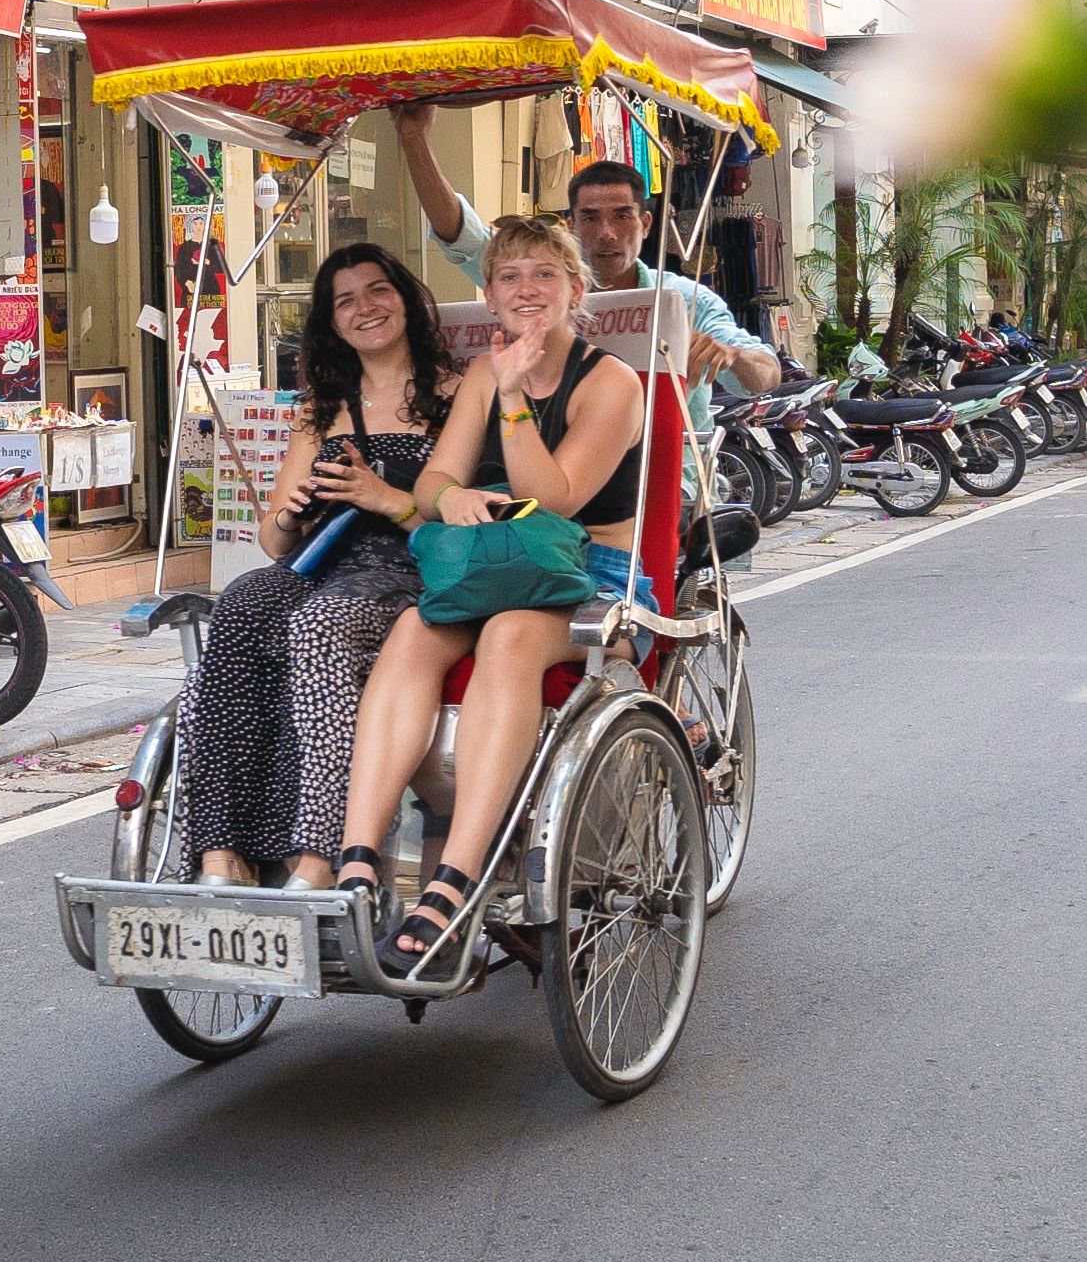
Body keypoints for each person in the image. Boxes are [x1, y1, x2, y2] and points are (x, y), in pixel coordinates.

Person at [333, 214, 645, 982]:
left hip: (590, 574)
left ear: (576, 290)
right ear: (489, 293)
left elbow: (557, 498)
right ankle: (357, 862)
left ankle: (457, 877)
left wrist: (511, 402)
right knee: (411, 630)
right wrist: (455, 499)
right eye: (510, 276)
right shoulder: (485, 371)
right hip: (491, 563)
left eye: (545, 274)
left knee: (508, 636)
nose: (527, 289)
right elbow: (433, 481)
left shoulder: (610, 381)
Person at [177, 244, 452, 889]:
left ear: (405, 299)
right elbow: (276, 542)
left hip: (408, 566)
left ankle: (318, 855)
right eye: (346, 301)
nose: (366, 309)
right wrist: (292, 515)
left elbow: (460, 512)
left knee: (318, 627)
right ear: (332, 322)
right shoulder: (321, 410)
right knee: (242, 603)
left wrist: (382, 496)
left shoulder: (456, 394)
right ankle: (220, 850)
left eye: (378, 290)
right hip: (321, 559)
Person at [390, 105, 778, 441]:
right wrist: (414, 139)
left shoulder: (686, 300)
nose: (607, 233)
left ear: (645, 223)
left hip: (663, 480)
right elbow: (464, 236)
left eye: (622, 216)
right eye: (591, 218)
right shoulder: (542, 291)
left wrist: (733, 356)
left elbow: (766, 375)